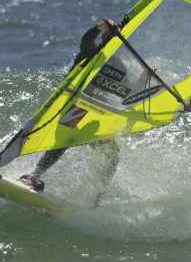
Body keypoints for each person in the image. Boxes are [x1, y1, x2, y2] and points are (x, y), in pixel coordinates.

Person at [18, 18, 122, 194]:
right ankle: (34, 177)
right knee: (63, 140)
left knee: (112, 154)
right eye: (109, 35)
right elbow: (87, 40)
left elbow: (128, 89)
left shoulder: (118, 64)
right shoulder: (92, 52)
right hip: (77, 105)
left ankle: (96, 195)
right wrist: (100, 27)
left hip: (97, 113)